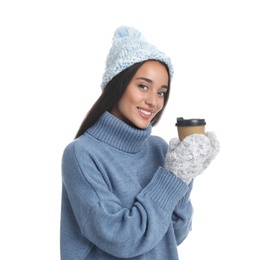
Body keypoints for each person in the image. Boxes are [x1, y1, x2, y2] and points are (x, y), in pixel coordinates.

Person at [60, 25, 220, 260]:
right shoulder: (81, 154)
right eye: (143, 86)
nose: (153, 101)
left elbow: (175, 233)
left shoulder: (158, 149)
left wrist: (187, 174)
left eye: (161, 92)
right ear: (118, 84)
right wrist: (174, 177)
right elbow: (123, 238)